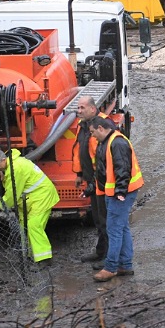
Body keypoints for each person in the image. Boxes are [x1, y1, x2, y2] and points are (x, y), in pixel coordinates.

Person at [89, 116, 144, 282]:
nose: (92, 136)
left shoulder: (116, 143)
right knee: (122, 227)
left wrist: (120, 191)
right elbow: (104, 169)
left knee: (113, 229)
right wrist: (93, 187)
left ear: (100, 128)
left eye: (92, 132)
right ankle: (125, 265)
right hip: (118, 192)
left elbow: (123, 168)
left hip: (120, 193)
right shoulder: (108, 141)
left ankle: (111, 267)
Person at [0, 148, 60, 263]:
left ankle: (44, 259)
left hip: (42, 197)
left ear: (3, 159)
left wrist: (2, 203)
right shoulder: (12, 164)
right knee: (24, 225)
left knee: (34, 225)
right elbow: (12, 185)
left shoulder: (16, 168)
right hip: (33, 198)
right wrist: (3, 177)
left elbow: (13, 193)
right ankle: (29, 254)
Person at [73, 96, 110, 270]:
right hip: (93, 181)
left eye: (82, 108)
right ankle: (101, 252)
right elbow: (79, 150)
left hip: (102, 182)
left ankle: (109, 258)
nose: (78, 111)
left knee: (105, 220)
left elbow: (101, 159)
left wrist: (96, 181)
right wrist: (79, 173)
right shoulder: (83, 127)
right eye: (78, 108)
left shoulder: (100, 127)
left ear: (93, 109)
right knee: (97, 219)